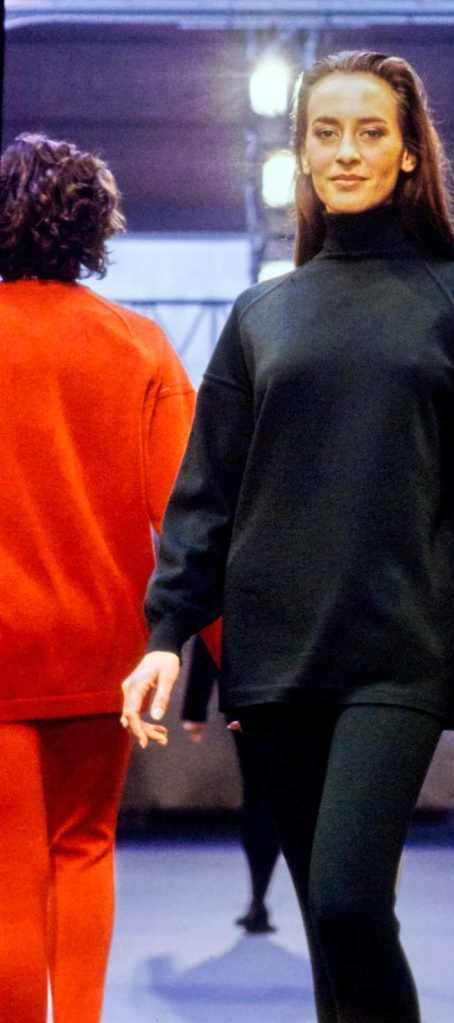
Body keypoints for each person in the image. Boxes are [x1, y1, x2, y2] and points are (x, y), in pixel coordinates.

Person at [121, 51, 454, 1023]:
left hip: (400, 651)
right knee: (330, 923)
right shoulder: (260, 313)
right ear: (302, 155)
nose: (346, 151)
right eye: (326, 133)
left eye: (369, 132)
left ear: (409, 153)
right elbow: (205, 495)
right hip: (275, 660)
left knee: (352, 901)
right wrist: (165, 634)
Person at [0, 133, 195, 1023]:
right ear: (93, 229)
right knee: (85, 847)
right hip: (104, 650)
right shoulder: (140, 345)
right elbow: (190, 517)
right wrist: (237, 657)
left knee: (9, 865)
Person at [182, 636, 281, 933]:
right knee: (285, 797)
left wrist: (195, 705)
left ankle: (258, 899)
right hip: (309, 691)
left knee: (260, 795)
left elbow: (213, 624)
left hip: (251, 693)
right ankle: (264, 900)